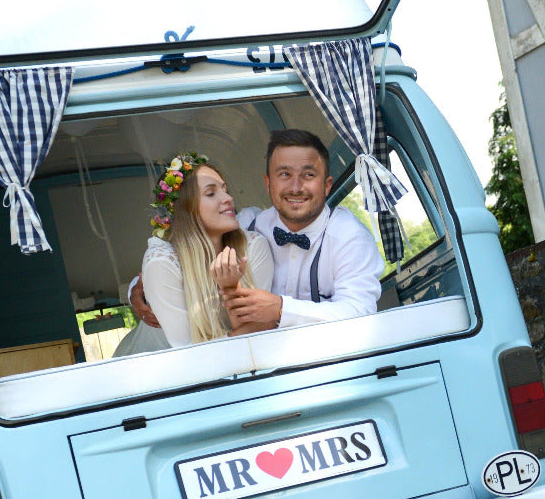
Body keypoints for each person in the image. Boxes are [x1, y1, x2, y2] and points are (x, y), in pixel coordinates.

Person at [129, 130, 383, 335]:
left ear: (327, 185)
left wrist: (282, 310)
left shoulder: (350, 237)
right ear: (267, 183)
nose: (296, 187)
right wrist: (137, 292)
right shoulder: (248, 225)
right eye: (284, 174)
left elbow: (360, 312)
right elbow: (190, 247)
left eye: (308, 175)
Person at [133, 153, 274, 348]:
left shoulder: (254, 246)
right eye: (211, 193)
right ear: (185, 210)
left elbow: (258, 339)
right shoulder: (163, 263)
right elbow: (188, 351)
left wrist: (231, 289)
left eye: (225, 190)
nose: (229, 198)